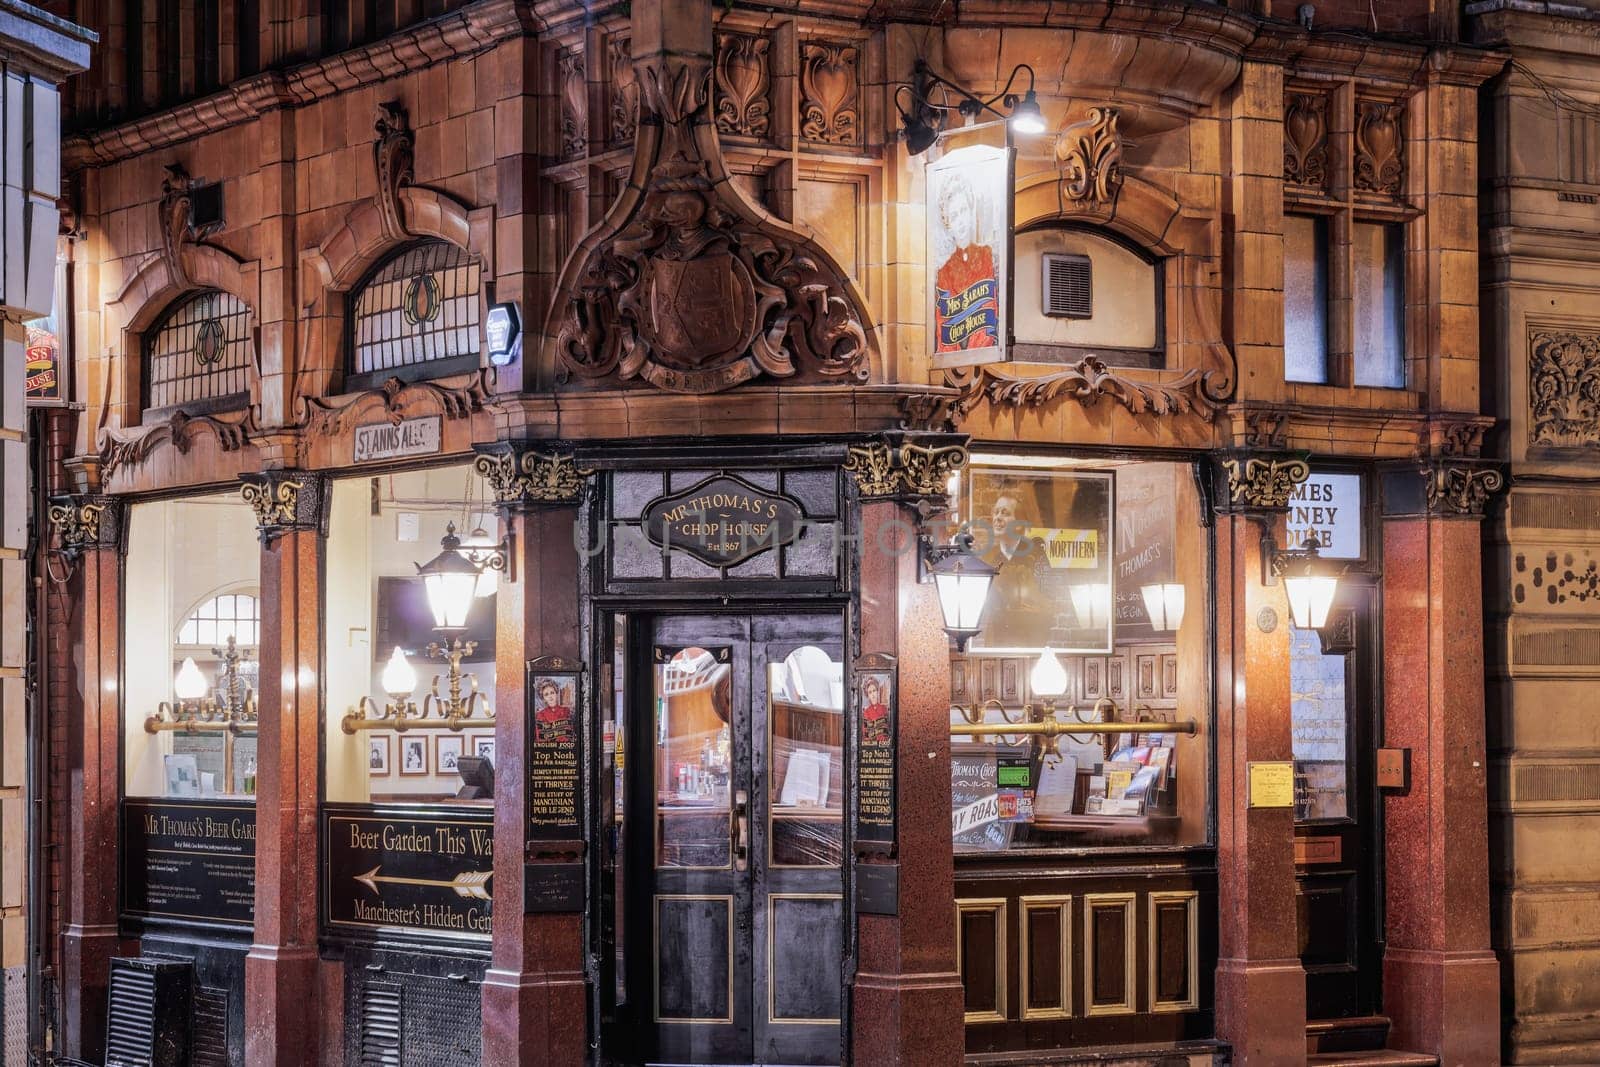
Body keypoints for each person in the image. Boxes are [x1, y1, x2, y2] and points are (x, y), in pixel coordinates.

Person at [933, 174, 998, 352]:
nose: (960, 222)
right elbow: (943, 326)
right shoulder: (944, 272)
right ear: (948, 223)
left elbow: (989, 312)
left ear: (970, 213)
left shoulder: (987, 255)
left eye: (963, 211)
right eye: (954, 216)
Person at [535, 678, 576, 744]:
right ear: (544, 699)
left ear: (556, 694)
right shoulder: (540, 715)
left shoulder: (566, 711)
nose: (550, 697)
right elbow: (540, 738)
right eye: (546, 694)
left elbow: (570, 734)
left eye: (552, 693)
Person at [860, 677, 890, 744]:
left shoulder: (884, 708)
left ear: (877, 691)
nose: (873, 695)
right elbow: (866, 735)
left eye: (874, 690)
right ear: (868, 695)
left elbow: (888, 730)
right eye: (870, 692)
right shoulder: (866, 712)